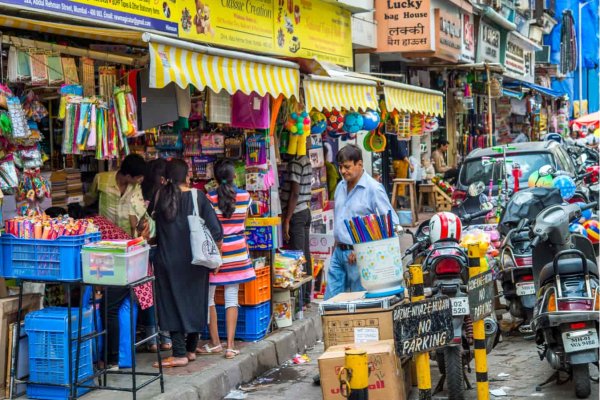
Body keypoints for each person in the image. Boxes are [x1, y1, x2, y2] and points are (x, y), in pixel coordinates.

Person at [152, 159, 223, 368]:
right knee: (195, 301)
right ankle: (189, 350)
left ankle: (180, 352)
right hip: (196, 260)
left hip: (167, 260)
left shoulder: (159, 196)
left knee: (171, 303)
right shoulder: (197, 196)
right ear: (187, 176)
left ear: (166, 177)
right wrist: (218, 255)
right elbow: (216, 231)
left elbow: (152, 225)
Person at [84, 154, 147, 369]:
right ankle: (113, 356)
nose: (140, 181)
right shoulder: (101, 180)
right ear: (127, 174)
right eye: (137, 177)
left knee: (112, 303)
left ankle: (111, 357)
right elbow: (89, 200)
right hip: (104, 247)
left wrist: (137, 229)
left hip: (127, 251)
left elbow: (137, 217)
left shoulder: (135, 189)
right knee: (109, 300)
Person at [325, 144, 399, 300]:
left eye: (347, 167)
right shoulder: (340, 187)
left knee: (361, 302)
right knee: (331, 302)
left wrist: (362, 249)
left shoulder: (373, 188)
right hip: (339, 253)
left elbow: (391, 223)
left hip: (362, 257)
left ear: (359, 164)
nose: (343, 171)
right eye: (340, 167)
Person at [198, 160, 256, 359]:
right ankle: (231, 346)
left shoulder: (209, 198)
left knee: (208, 299)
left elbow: (206, 227)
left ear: (215, 178)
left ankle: (215, 343)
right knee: (232, 298)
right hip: (238, 250)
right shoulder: (245, 196)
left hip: (216, 252)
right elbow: (244, 223)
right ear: (235, 177)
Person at [140, 158, 172, 353]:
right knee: (163, 294)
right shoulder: (165, 195)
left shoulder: (140, 193)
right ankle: (166, 337)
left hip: (144, 248)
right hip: (161, 247)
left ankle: (151, 339)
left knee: (147, 295)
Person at [280, 141, 313, 280]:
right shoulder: (305, 160)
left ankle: (301, 298)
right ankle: (305, 296)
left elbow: (295, 193)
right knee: (304, 253)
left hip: (296, 213)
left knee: (298, 255)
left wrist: (287, 219)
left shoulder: (295, 163)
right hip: (304, 210)